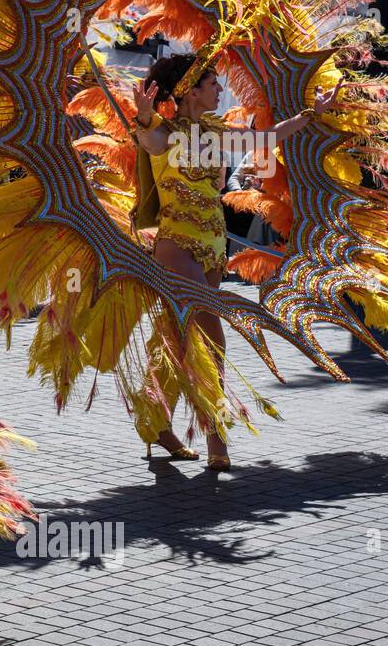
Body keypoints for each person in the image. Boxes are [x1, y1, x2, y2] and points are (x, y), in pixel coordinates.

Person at [132, 52, 341, 470]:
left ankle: (157, 424)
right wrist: (141, 117)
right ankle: (216, 436)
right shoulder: (166, 132)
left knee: (175, 338)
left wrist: (310, 113)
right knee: (213, 339)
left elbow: (266, 141)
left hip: (213, 248)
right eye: (212, 85)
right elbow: (150, 142)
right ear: (191, 91)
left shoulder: (215, 132)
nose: (220, 90)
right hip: (177, 246)